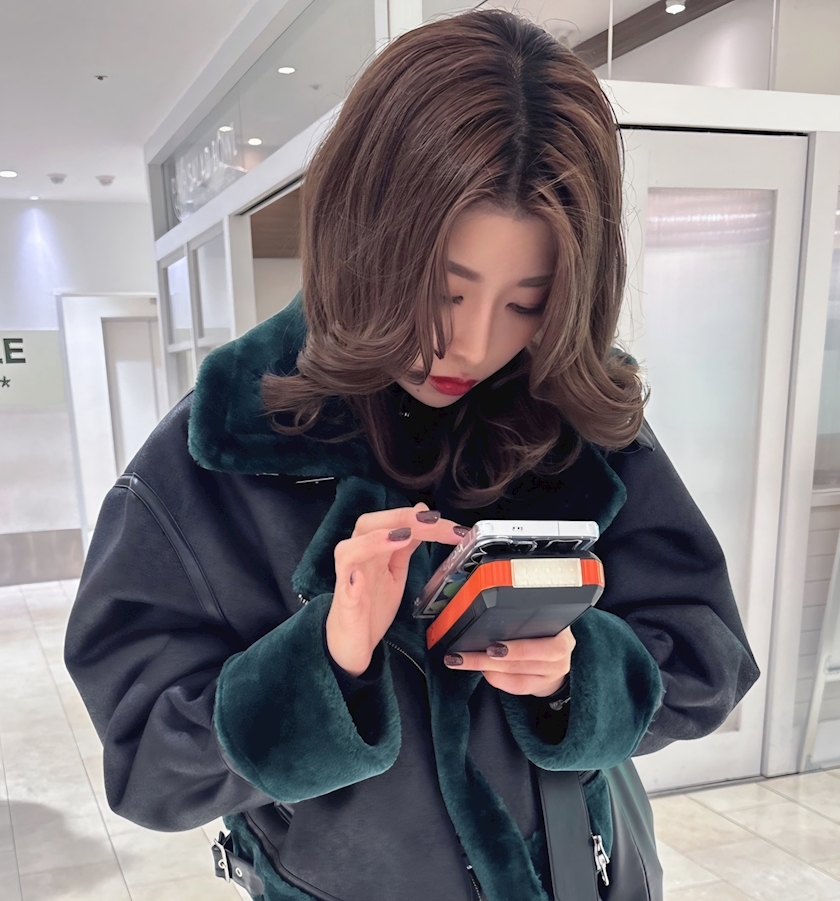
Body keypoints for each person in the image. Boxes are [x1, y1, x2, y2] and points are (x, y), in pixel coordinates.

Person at [64, 9, 760, 901]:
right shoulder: (217, 454)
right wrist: (326, 658)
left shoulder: (572, 413)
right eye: (444, 288)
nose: (473, 344)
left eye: (526, 302)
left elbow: (707, 659)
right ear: (363, 236)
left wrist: (579, 673)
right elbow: (149, 765)